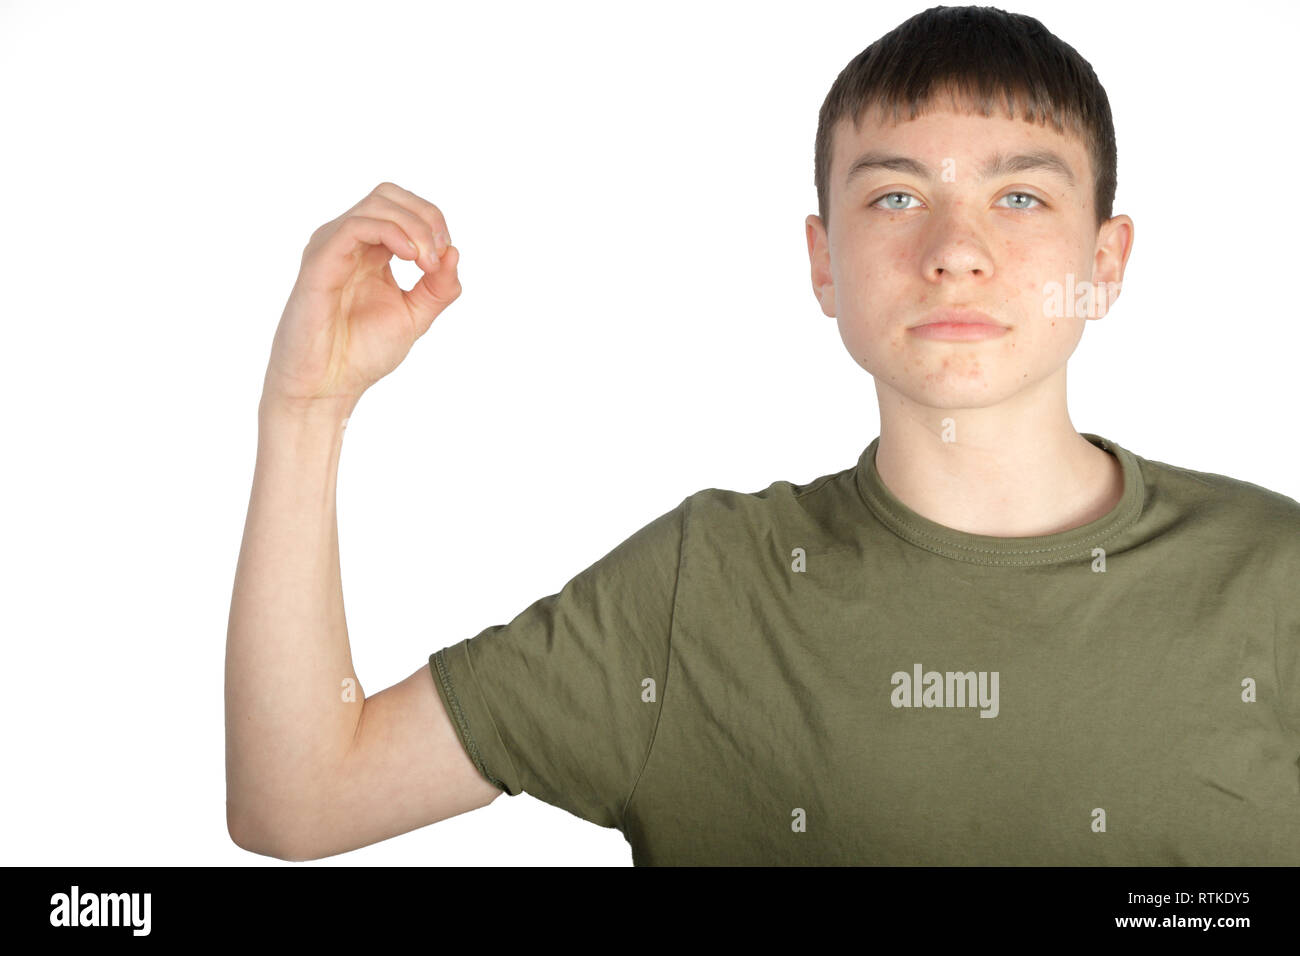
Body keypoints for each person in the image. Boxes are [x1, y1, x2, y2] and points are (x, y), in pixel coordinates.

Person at [225, 4, 1300, 865]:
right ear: (821, 262)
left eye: (1019, 196)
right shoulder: (704, 588)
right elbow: (302, 797)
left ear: (1105, 262)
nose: (953, 249)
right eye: (891, 197)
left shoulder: (1274, 572)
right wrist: (307, 409)